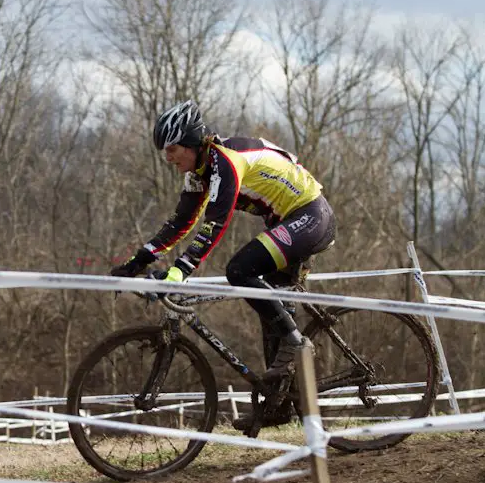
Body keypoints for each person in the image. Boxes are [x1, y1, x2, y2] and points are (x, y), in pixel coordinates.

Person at [110, 100, 336, 430]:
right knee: (271, 311)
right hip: (284, 222)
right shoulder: (199, 172)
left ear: (189, 143)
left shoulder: (225, 162)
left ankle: (297, 342)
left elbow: (215, 223)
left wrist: (181, 270)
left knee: (239, 271)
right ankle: (278, 404)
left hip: (310, 216)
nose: (168, 158)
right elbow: (180, 223)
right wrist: (135, 262)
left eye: (172, 150)